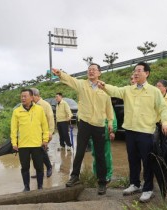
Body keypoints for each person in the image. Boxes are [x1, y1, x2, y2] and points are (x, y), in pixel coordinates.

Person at [97, 61, 167, 202]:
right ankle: (135, 184)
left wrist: (165, 122)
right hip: (130, 131)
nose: (135, 73)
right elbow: (115, 90)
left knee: (147, 161)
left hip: (146, 132)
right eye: (134, 70)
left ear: (147, 73)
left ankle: (148, 189)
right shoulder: (129, 89)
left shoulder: (154, 91)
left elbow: (164, 108)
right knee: (133, 159)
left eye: (139, 70)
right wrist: (104, 86)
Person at [52, 64, 114, 195]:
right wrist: (60, 74)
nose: (91, 71)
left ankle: (102, 182)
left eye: (93, 70)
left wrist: (110, 122)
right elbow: (70, 80)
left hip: (99, 125)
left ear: (99, 73)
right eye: (89, 70)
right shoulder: (81, 84)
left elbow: (109, 107)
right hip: (85, 123)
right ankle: (74, 176)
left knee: (100, 154)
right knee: (79, 151)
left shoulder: (104, 88)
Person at [10, 89, 49, 191]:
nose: (23, 98)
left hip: (37, 144)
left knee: (39, 167)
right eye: (22, 96)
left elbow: (45, 126)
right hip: (23, 145)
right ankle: (26, 187)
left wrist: (45, 140)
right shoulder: (17, 111)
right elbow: (13, 129)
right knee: (25, 167)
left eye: (25, 96)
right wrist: (14, 143)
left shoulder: (39, 109)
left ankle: (40, 186)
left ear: (31, 97)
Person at [30, 88, 55, 178]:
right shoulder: (32, 105)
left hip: (44, 133)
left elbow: (51, 118)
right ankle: (39, 172)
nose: (30, 98)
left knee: (41, 151)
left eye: (31, 96)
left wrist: (50, 133)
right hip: (34, 133)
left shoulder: (45, 105)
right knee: (34, 154)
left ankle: (49, 167)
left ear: (36, 96)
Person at [90, 110, 117, 183]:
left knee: (106, 156)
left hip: (105, 133)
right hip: (94, 134)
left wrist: (112, 131)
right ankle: (96, 174)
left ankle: (107, 175)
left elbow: (112, 117)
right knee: (95, 155)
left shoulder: (107, 101)